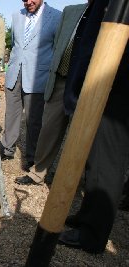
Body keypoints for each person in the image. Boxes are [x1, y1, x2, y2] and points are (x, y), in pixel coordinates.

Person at [58, 0, 129, 254]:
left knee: (104, 162)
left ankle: (92, 233)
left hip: (112, 85)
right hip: (101, 83)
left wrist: (102, 82)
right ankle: (87, 216)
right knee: (93, 158)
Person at [15, 2, 89, 185]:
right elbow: (57, 45)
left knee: (84, 134)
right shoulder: (71, 11)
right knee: (49, 128)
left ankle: (79, 178)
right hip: (61, 79)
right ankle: (38, 173)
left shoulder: (111, 15)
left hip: (90, 83)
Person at [1, 0, 61, 170]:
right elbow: (15, 45)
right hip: (14, 73)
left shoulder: (56, 16)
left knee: (34, 119)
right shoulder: (17, 15)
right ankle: (7, 148)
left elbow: (56, 48)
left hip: (38, 76)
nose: (28, 2)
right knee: (11, 113)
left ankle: (32, 156)